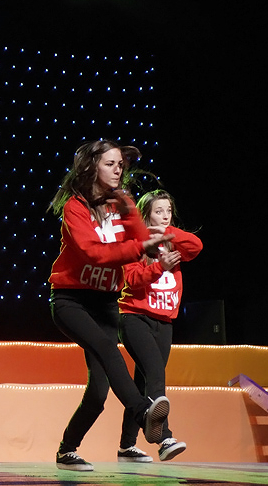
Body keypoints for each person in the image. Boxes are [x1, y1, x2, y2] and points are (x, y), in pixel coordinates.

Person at [47, 140, 173, 472]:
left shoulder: (123, 203)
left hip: (105, 302)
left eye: (120, 165)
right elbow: (93, 253)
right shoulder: (75, 207)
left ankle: (67, 450)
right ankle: (143, 414)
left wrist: (146, 239)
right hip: (71, 300)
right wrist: (141, 247)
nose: (118, 170)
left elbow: (141, 239)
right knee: (107, 348)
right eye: (110, 164)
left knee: (99, 391)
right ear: (92, 166)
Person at [116, 189, 202, 463]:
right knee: (155, 374)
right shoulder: (135, 243)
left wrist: (168, 233)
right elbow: (131, 280)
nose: (165, 216)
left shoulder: (173, 241)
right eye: (158, 211)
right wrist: (159, 267)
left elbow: (196, 246)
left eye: (168, 211)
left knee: (143, 383)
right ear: (146, 215)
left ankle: (127, 446)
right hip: (134, 318)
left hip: (164, 322)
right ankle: (164, 439)